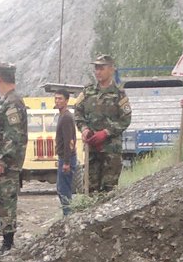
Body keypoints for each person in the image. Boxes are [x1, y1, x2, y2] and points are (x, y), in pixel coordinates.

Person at [74, 55, 130, 196]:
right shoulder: (88, 91)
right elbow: (78, 113)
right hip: (92, 150)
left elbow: (126, 119)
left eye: (101, 68)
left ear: (111, 70)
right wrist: (84, 129)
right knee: (90, 190)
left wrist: (106, 132)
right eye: (96, 68)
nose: (98, 72)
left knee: (109, 191)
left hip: (111, 151)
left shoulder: (119, 94)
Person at [0, 62, 29, 253]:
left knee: (6, 203)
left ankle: (8, 243)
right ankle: (6, 241)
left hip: (7, 164)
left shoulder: (12, 102)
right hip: (0, 162)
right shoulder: (3, 101)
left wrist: (3, 160)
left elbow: (13, 135)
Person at [52, 87, 80, 215]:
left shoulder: (67, 117)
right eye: (56, 98)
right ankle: (67, 215)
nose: (57, 101)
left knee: (64, 190)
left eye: (60, 99)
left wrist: (67, 162)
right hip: (63, 158)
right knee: (61, 189)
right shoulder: (62, 116)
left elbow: (69, 141)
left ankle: (68, 217)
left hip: (67, 158)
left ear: (67, 100)